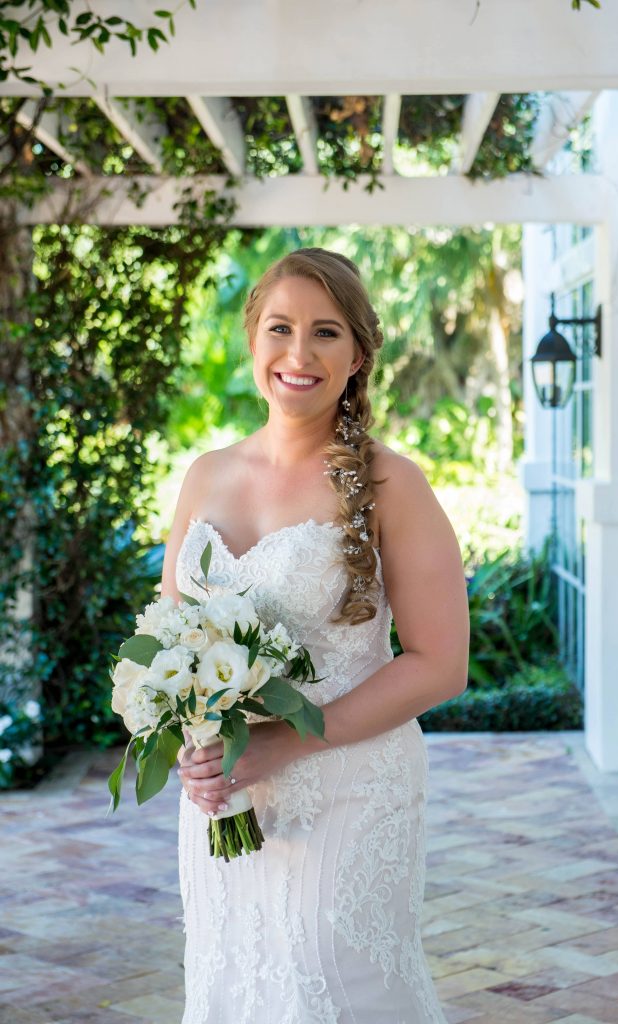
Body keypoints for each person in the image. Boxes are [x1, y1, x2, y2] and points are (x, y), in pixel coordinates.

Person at [160, 247, 470, 1024]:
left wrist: (281, 743)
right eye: (281, 328)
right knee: (234, 982)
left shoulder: (393, 485)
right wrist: (189, 745)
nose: (300, 355)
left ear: (359, 354)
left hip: (350, 791)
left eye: (326, 333)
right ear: (253, 338)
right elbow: (170, 641)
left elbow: (440, 664)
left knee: (331, 985)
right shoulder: (205, 475)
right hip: (225, 800)